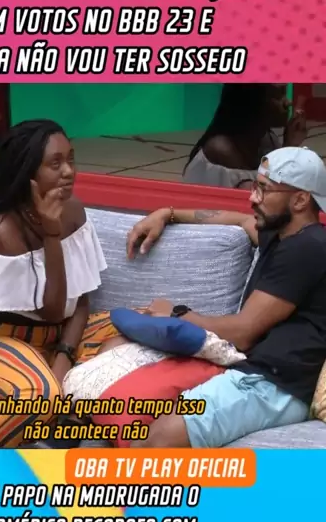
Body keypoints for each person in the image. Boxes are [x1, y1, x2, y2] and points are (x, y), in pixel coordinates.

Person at [126, 146, 326, 448]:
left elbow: (243, 332)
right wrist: (167, 213)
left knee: (155, 440)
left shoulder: (307, 248)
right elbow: (241, 220)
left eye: (264, 189)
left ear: (300, 200)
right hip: (255, 373)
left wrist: (177, 314)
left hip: (274, 384)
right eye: (256, 186)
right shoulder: (283, 235)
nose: (253, 197)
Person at [0, 119, 119, 449]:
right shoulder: (1, 230)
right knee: (42, 395)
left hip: (57, 337)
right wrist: (51, 234)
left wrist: (63, 357)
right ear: (27, 173)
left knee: (143, 326)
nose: (69, 171)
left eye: (71, 159)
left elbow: (81, 300)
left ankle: (61, 426)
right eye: (55, 163)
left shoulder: (74, 212)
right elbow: (52, 310)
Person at [183, 84, 307, 189]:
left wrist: (291, 145)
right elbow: (262, 194)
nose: (288, 102)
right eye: (278, 96)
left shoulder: (268, 139)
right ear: (253, 101)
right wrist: (289, 146)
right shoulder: (222, 149)